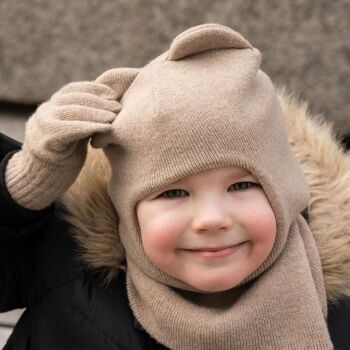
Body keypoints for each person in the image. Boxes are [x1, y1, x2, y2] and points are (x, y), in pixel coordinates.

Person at [0, 23, 349, 349]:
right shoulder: (69, 269)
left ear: (285, 190)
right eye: (173, 192)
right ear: (128, 208)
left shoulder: (340, 303)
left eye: (242, 185)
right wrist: (24, 188)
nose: (212, 219)